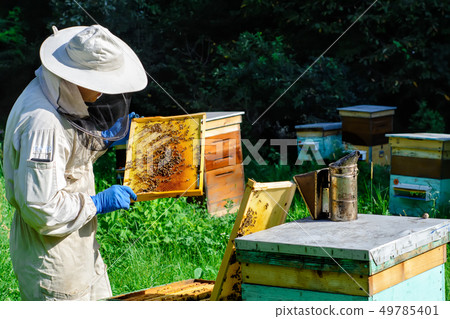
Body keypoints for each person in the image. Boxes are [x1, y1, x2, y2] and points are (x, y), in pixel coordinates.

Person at [2, 24, 147, 300]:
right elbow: (42, 208)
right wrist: (98, 202)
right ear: (80, 77)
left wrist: (104, 140)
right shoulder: (42, 124)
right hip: (53, 258)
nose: (105, 93)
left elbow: (66, 157)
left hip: (79, 247)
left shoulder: (56, 94)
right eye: (103, 85)